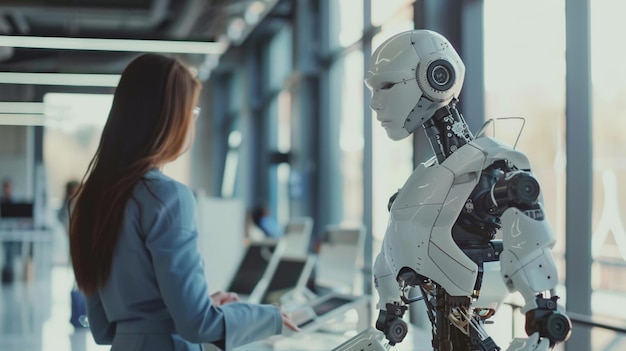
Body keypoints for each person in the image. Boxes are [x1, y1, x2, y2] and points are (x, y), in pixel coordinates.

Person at [69, 53, 298, 351]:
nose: (192, 121)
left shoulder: (87, 201)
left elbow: (102, 328)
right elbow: (198, 324)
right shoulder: (166, 196)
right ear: (169, 118)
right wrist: (269, 315)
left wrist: (200, 307)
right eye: (193, 111)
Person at [1, 177, 21, 284]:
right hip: (3, 232)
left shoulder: (15, 202)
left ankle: (11, 275)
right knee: (5, 254)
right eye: (6, 188)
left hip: (14, 232)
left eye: (9, 187)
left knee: (12, 255)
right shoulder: (1, 201)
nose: (7, 190)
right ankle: (5, 275)